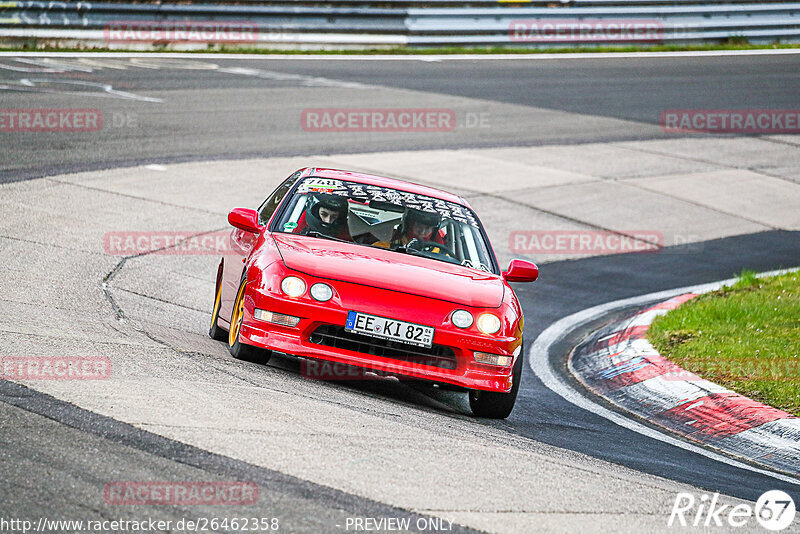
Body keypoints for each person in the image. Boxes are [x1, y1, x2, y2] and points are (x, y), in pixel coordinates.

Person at [373, 207, 442, 249]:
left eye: (427, 228)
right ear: (409, 226)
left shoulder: (439, 254)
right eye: (418, 226)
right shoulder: (382, 247)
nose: (422, 232)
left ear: (433, 231)